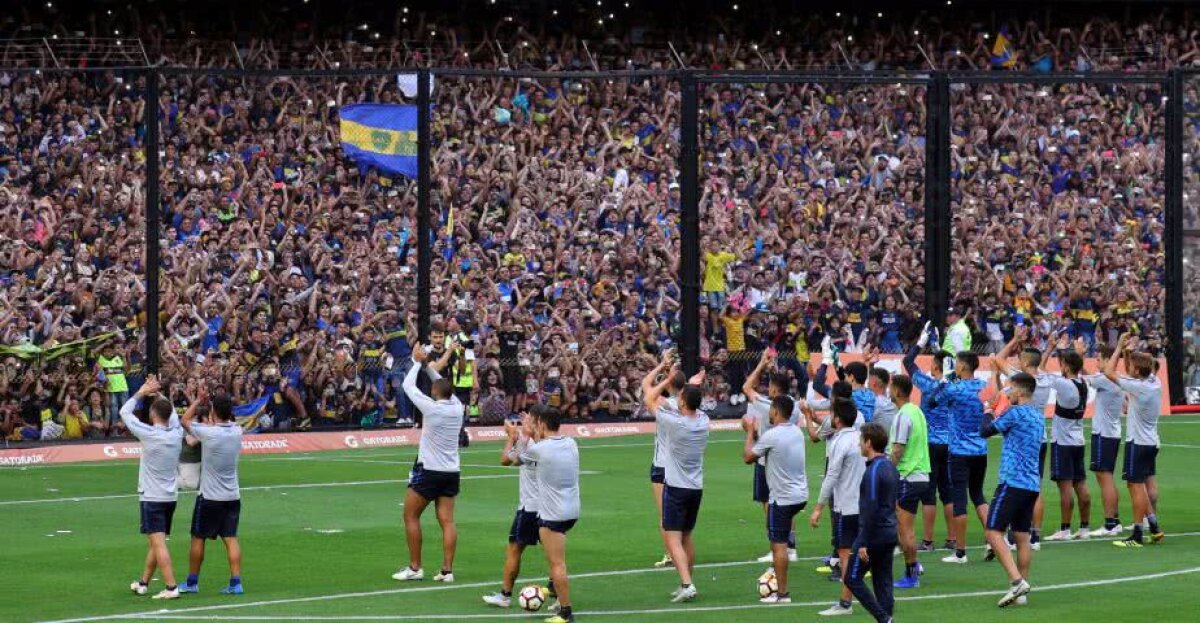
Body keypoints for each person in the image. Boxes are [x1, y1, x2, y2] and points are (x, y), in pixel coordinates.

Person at [393, 345, 465, 582]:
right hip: (451, 472)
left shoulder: (432, 408)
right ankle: (447, 570)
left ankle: (415, 568)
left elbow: (407, 387)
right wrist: (427, 367)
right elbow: (442, 384)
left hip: (429, 471)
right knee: (447, 521)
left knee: (410, 516)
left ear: (434, 391)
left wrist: (416, 362)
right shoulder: (458, 407)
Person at [643, 353, 709, 604]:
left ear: (682, 401)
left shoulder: (673, 423)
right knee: (687, 536)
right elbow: (692, 402)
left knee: (672, 537)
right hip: (696, 487)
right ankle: (686, 581)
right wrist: (692, 385)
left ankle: (687, 584)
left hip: (676, 487)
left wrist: (668, 378)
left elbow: (648, 397)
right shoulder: (704, 420)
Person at [980, 372, 1043, 608]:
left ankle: (1016, 582)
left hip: (1012, 481)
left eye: (1011, 388)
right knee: (1022, 536)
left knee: (992, 532)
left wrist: (989, 408)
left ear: (1020, 391)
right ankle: (1021, 591)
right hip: (1031, 484)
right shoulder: (1037, 415)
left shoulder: (1015, 413)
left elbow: (985, 431)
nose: (1008, 392)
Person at [120, 374, 185, 600]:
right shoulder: (177, 432)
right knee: (156, 543)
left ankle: (171, 587)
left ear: (153, 414)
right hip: (170, 497)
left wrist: (142, 392)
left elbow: (124, 412)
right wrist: (158, 394)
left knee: (158, 544)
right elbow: (172, 413)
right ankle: (143, 583)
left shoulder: (148, 434)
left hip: (152, 497)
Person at [482, 408, 551, 609]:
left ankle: (505, 596)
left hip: (531, 508)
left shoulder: (533, 446)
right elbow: (506, 459)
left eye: (529, 420)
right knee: (551, 552)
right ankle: (555, 591)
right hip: (545, 506)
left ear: (538, 423)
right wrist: (517, 436)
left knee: (515, 548)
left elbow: (508, 460)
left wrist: (514, 437)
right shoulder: (547, 443)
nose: (524, 423)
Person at [742, 394, 807, 604]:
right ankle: (777, 573)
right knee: (781, 542)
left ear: (777, 412)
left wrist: (749, 433)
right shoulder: (797, 432)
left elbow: (748, 457)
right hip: (800, 495)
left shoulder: (772, 435)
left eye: (771, 409)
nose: (769, 412)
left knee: (778, 546)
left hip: (781, 498)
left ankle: (782, 594)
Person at [179, 389, 245, 595]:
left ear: (213, 411)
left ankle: (192, 582)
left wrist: (198, 400)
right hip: (232, 495)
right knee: (231, 538)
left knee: (198, 537)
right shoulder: (237, 431)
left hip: (210, 497)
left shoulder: (209, 433)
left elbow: (184, 420)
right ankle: (236, 582)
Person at [520, 406, 580, 623]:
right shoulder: (571, 443)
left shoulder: (539, 450)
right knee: (557, 562)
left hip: (552, 513)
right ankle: (554, 590)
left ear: (542, 424)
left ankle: (566, 612)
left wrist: (524, 435)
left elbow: (515, 458)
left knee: (557, 563)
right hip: (572, 510)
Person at [1105, 335, 1165, 548]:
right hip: (1151, 442)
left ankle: (1137, 535)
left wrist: (1119, 348)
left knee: (1135, 487)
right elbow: (1140, 367)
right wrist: (1129, 351)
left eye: (1131, 366)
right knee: (1140, 483)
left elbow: (1109, 372)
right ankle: (1155, 527)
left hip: (1138, 443)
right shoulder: (1154, 381)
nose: (1128, 368)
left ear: (1137, 371)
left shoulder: (1138, 386)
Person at [742, 348, 801, 563]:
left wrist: (760, 364)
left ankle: (777, 546)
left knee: (770, 504)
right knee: (786, 504)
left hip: (767, 460)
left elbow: (747, 387)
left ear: (774, 389)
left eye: (770, 386)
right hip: (788, 458)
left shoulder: (768, 406)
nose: (768, 389)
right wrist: (772, 368)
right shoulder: (793, 406)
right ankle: (791, 547)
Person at [811, 399, 866, 617]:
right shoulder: (862, 439)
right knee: (862, 552)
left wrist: (818, 507)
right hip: (865, 505)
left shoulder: (838, 442)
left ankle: (845, 602)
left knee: (845, 554)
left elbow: (831, 476)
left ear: (837, 419)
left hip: (846, 506)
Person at [903, 324, 952, 552]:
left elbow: (907, 362)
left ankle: (928, 541)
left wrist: (921, 343)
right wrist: (938, 348)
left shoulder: (927, 383)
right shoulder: (954, 387)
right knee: (948, 492)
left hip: (930, 443)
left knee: (929, 494)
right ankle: (952, 539)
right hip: (950, 444)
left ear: (934, 367)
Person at [844, 422, 900, 623]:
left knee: (851, 578)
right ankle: (887, 618)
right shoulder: (890, 466)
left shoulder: (873, 471)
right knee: (883, 582)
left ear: (869, 443)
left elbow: (872, 508)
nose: (859, 444)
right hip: (890, 532)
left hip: (874, 535)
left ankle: (884, 618)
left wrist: (863, 541)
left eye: (861, 440)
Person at [940, 352, 989, 564]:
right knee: (978, 494)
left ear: (962, 366)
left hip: (959, 451)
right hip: (980, 449)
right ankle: (992, 540)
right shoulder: (984, 386)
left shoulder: (955, 389)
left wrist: (946, 380)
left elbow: (933, 401)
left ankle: (960, 552)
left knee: (959, 498)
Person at [1042, 341, 1092, 541]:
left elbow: (1040, 369)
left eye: (1062, 363)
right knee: (1081, 484)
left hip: (1062, 442)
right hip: (1078, 440)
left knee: (1065, 486)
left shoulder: (1064, 384)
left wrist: (1050, 348)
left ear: (1067, 366)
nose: (1060, 366)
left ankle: (1065, 529)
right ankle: (1085, 528)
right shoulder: (1083, 383)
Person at [641, 357, 688, 569]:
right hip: (681, 465)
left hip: (662, 465)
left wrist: (661, 366)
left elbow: (646, 386)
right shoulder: (689, 406)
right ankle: (682, 549)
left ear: (668, 383)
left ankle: (671, 553)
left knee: (664, 515)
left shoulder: (663, 404)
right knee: (681, 513)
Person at [888, 375, 930, 590]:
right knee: (900, 526)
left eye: (891, 388)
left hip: (908, 475)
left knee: (905, 530)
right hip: (920, 474)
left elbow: (898, 449)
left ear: (897, 391)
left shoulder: (903, 415)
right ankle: (914, 564)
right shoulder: (917, 411)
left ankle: (912, 574)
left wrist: (886, 471)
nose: (889, 391)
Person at [1083, 344, 1126, 537]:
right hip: (1112, 432)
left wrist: (1078, 356)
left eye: (1099, 359)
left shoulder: (1105, 379)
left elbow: (1080, 378)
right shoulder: (1115, 378)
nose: (1097, 362)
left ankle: (1110, 524)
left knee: (1105, 478)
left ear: (1109, 360)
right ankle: (1115, 520)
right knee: (1107, 477)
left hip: (1103, 433)